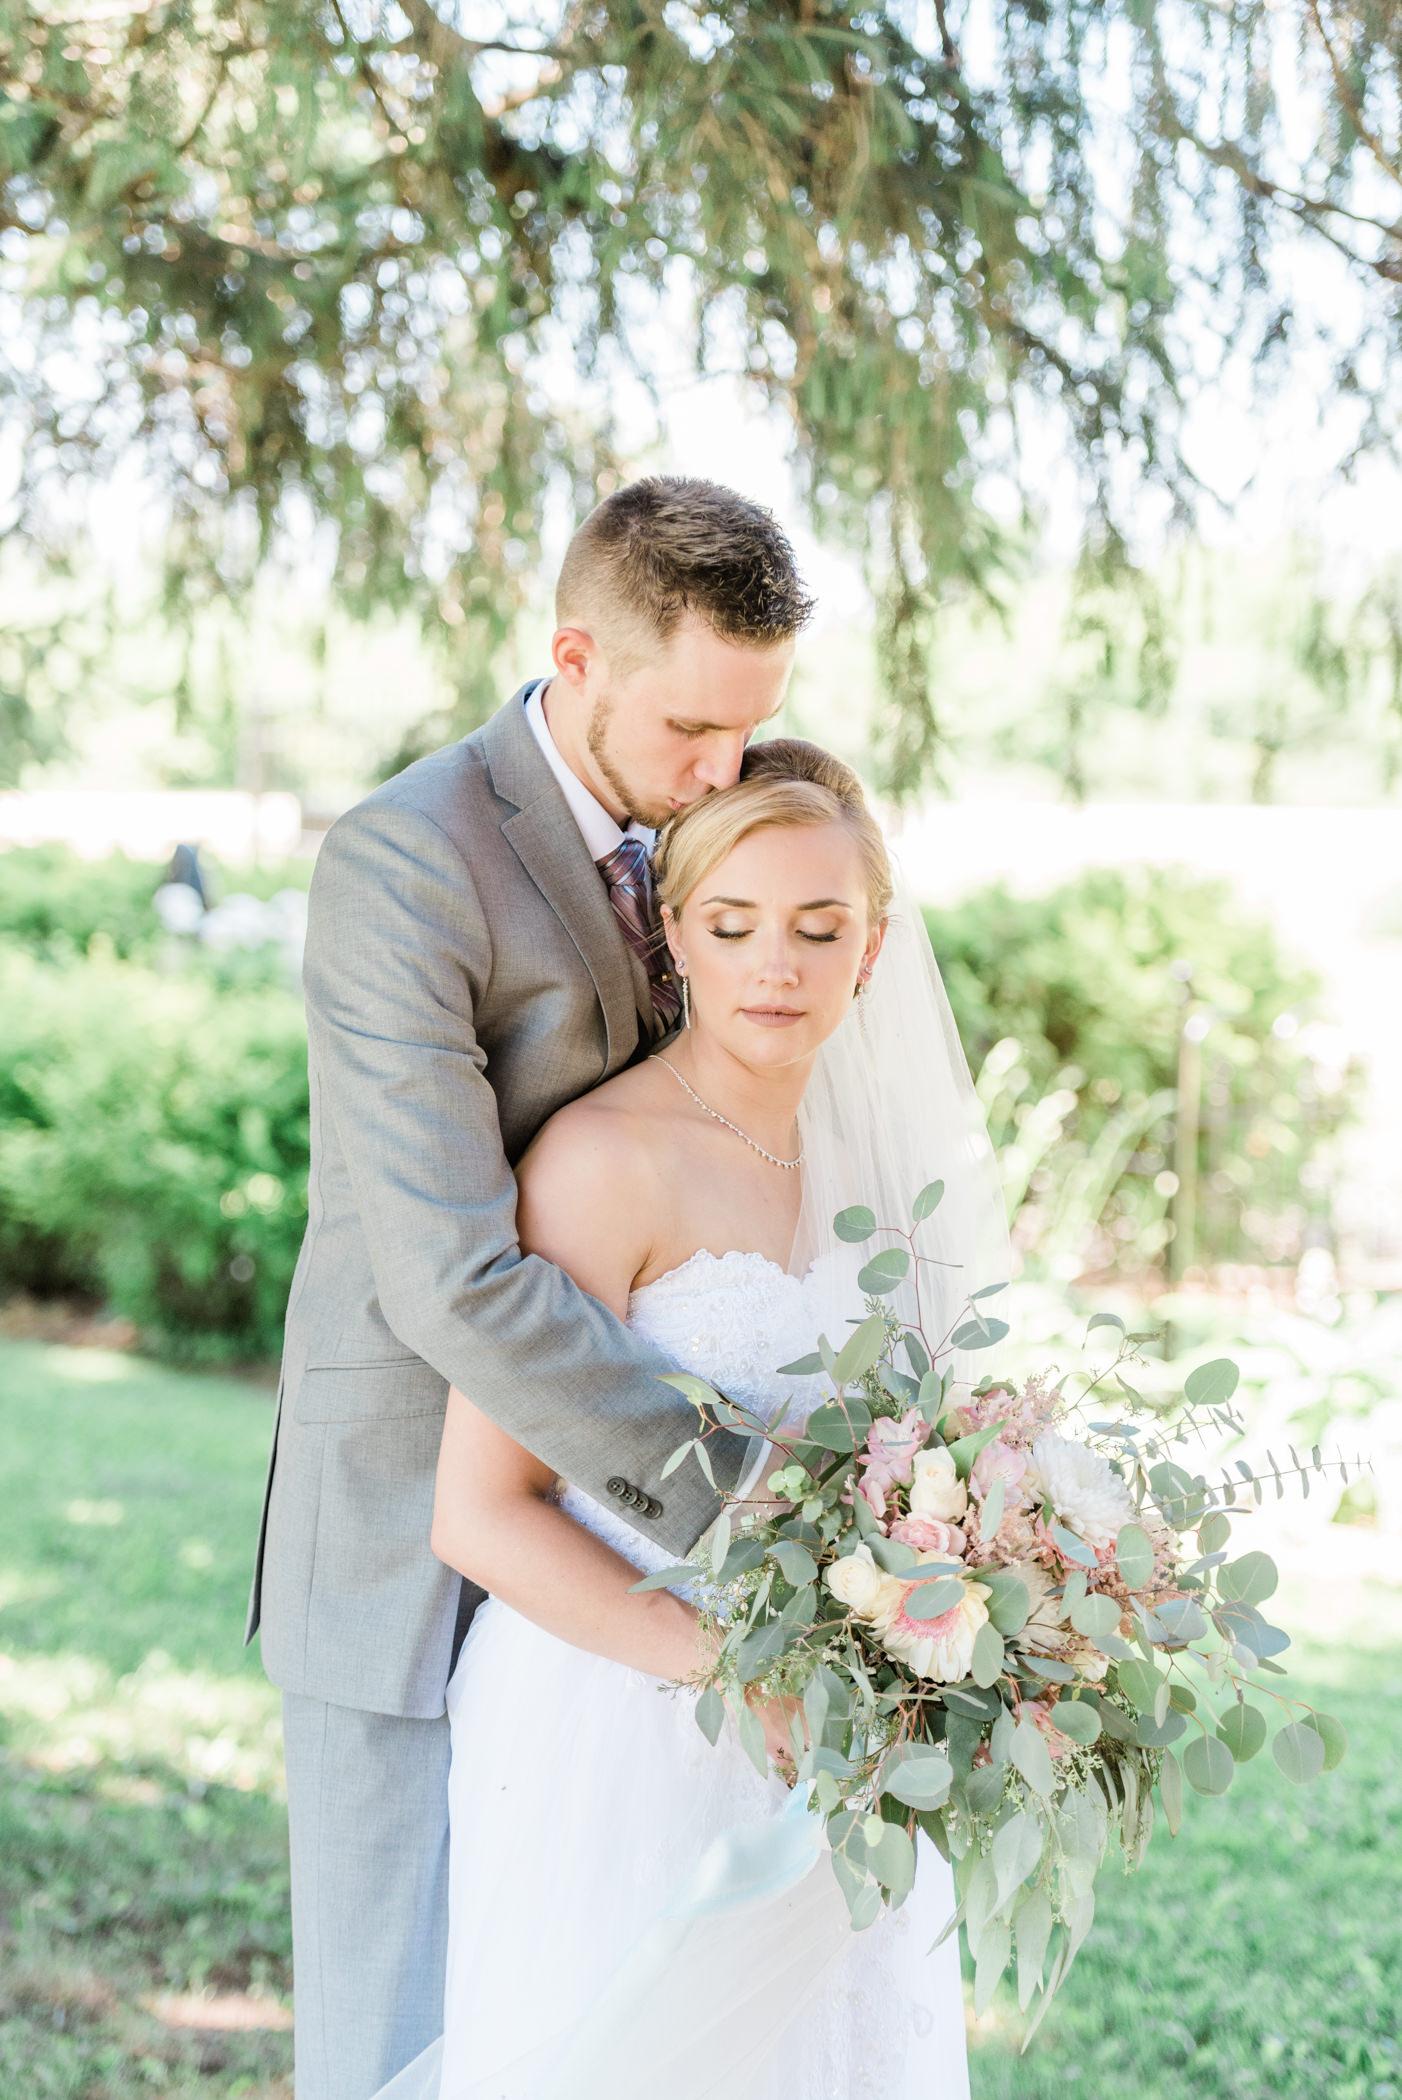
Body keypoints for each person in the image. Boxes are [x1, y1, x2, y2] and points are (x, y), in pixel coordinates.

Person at [246, 477, 814, 2100]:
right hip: (408, 1531)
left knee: (589, 2017)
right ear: (576, 656)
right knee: (402, 2030)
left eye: (753, 727)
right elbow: (449, 1272)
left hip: (620, 1575)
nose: (726, 770)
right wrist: (751, 1496)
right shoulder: (405, 862)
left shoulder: (712, 824)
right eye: (694, 729)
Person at [372, 740, 1010, 2100]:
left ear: (872, 948)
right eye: (731, 925)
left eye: (816, 927)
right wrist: (733, 1668)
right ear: (672, 935)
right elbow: (480, 1514)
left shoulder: (897, 1183)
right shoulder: (603, 1162)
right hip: (615, 1723)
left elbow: (928, 1470)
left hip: (849, 1735)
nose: (773, 965)